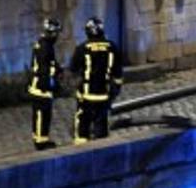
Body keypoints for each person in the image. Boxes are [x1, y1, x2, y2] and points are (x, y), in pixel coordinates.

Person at [69, 17, 123, 143]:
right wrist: (114, 91)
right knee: (102, 129)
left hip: (86, 96)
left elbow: (73, 69)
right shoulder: (112, 47)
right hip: (103, 96)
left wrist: (75, 88)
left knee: (82, 128)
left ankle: (81, 152)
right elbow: (118, 74)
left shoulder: (82, 48)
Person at [26, 17, 62, 150]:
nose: (57, 36)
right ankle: (41, 142)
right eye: (56, 33)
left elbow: (49, 63)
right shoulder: (46, 47)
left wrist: (57, 68)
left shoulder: (42, 44)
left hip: (37, 85)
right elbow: (44, 69)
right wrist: (52, 85)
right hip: (41, 87)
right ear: (52, 33)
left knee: (40, 114)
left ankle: (40, 137)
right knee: (43, 114)